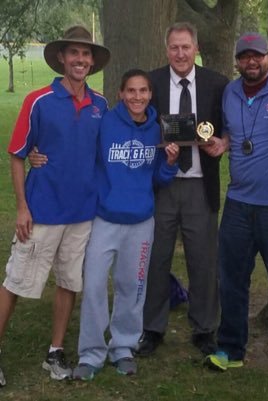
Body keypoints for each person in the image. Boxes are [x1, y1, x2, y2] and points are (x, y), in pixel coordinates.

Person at [0, 26, 110, 385]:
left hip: (82, 214)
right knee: (16, 282)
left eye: (86, 54)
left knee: (69, 282)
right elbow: (17, 156)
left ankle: (55, 351)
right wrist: (22, 207)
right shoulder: (38, 101)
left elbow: (104, 154)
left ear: (92, 62)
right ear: (62, 57)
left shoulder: (101, 105)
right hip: (42, 211)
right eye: (74, 53)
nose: (80, 60)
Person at [202, 33, 268, 384]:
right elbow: (237, 132)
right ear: (237, 61)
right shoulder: (231, 92)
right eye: (245, 57)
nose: (252, 62)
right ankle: (231, 349)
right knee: (231, 279)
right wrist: (224, 143)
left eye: (258, 56)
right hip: (238, 203)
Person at [72, 69, 179, 381]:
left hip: (141, 221)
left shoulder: (158, 127)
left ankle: (123, 346)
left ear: (149, 94)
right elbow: (84, 159)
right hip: (105, 218)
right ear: (121, 93)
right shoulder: (106, 122)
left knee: (131, 287)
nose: (137, 96)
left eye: (143, 91)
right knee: (92, 285)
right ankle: (91, 352)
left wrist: (170, 164)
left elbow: (158, 177)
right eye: (131, 90)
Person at [136, 22, 229, 357]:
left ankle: (205, 328)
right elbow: (138, 124)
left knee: (203, 260)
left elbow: (230, 126)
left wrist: (224, 142)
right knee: (156, 257)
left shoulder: (217, 83)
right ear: (166, 50)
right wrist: (163, 149)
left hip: (200, 185)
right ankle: (152, 327)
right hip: (161, 184)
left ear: (196, 48)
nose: (179, 53)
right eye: (174, 47)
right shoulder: (152, 82)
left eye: (185, 47)